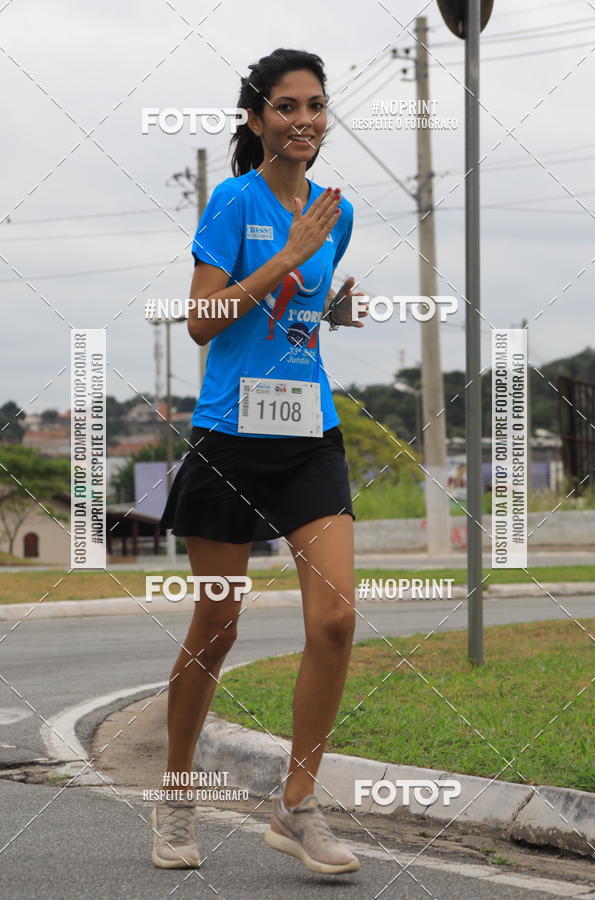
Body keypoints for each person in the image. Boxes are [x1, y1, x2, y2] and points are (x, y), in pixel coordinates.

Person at [150, 47, 367, 875]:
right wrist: (283, 259)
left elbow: (296, 310)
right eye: (286, 107)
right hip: (230, 439)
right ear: (255, 118)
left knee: (337, 620)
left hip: (308, 434)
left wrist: (335, 308)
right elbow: (205, 320)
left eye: (315, 105)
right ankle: (175, 798)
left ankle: (297, 806)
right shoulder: (235, 202)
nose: (304, 120)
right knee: (217, 625)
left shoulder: (334, 212)